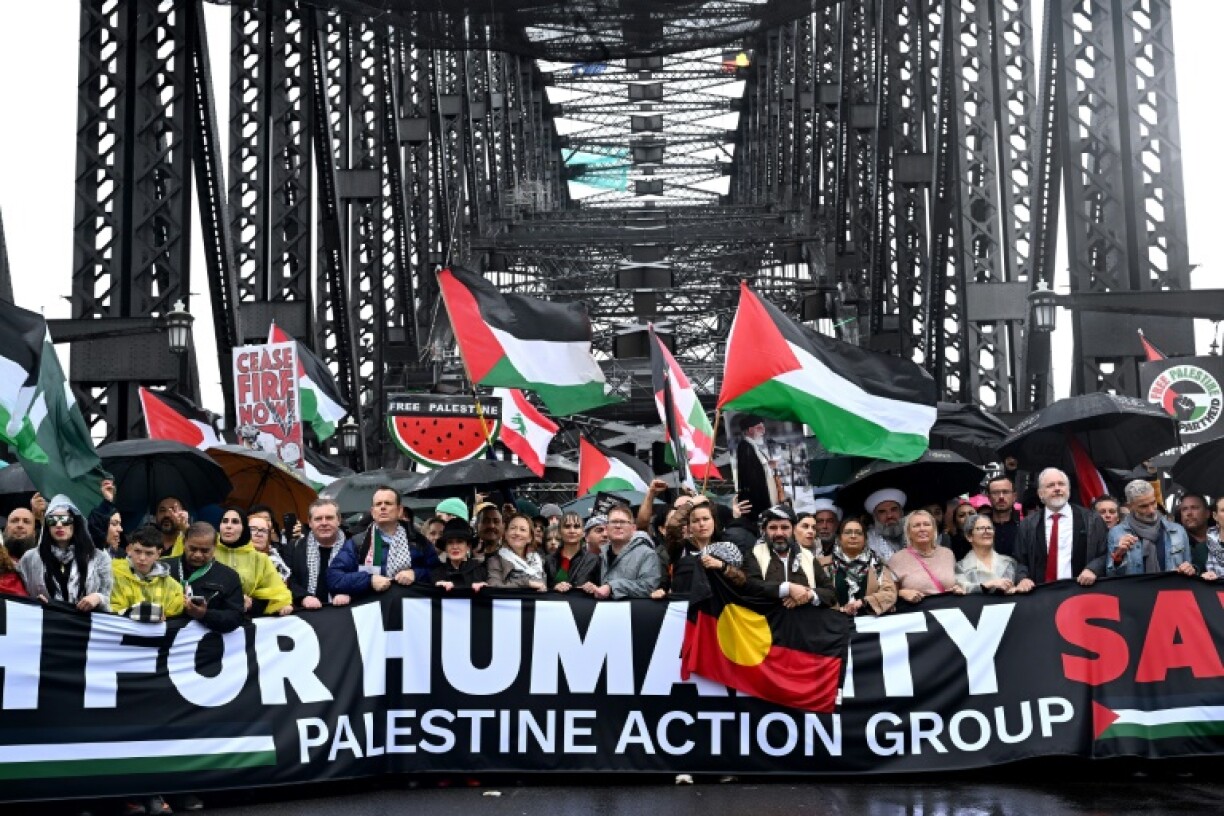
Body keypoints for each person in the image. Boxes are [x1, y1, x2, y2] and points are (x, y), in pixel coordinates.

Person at [1013, 467, 1108, 592]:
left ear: (1068, 489)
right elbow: (1019, 560)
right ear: (1040, 493)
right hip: (1041, 594)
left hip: (1080, 592)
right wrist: (1022, 578)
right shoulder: (1028, 524)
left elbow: (1105, 552)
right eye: (1051, 485)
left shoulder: (1091, 520)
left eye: (1061, 484)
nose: (1057, 488)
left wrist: (1093, 569)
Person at [328, 487, 430, 599]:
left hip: (409, 608)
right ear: (372, 512)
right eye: (378, 504)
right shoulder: (357, 543)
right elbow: (334, 578)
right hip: (372, 609)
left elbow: (437, 572)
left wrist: (416, 574)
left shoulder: (417, 541)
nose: (382, 507)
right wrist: (369, 580)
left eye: (388, 503)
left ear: (399, 510)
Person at [17, 494, 113, 611]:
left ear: (75, 523)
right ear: (47, 525)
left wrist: (98, 598)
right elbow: (19, 597)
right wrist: (33, 602)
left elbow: (107, 598)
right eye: (52, 520)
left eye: (65, 520)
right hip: (47, 624)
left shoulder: (99, 558)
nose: (59, 525)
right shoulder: (30, 558)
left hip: (84, 625)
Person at [744, 504, 836, 608]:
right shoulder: (754, 554)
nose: (779, 533)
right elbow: (750, 586)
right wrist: (787, 588)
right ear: (764, 531)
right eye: (773, 528)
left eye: (785, 527)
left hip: (805, 620)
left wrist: (808, 595)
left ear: (793, 530)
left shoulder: (807, 556)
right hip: (769, 621)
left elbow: (830, 593)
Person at [214, 505, 293, 616]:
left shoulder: (260, 558)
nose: (229, 526)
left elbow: (278, 593)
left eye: (235, 522)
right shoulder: (209, 550)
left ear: (244, 528)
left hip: (246, 621)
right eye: (225, 521)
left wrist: (252, 603)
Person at [165, 522, 245, 633]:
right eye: (193, 549)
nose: (198, 555)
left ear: (215, 547)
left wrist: (204, 614)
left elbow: (236, 617)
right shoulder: (163, 569)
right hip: (164, 642)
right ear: (184, 543)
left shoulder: (229, 577)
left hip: (206, 646)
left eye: (205, 551)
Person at [1106, 480, 1196, 577]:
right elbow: (1111, 576)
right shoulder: (1117, 533)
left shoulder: (1177, 531)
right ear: (1130, 506)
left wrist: (1189, 569)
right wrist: (1118, 557)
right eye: (1143, 506)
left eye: (1153, 503)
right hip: (1136, 591)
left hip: (1170, 590)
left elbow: (1190, 569)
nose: (1151, 510)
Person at [582, 504, 663, 599]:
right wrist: (591, 587)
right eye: (614, 522)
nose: (618, 526)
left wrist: (612, 587)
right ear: (607, 528)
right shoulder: (600, 555)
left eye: (623, 522)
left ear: (633, 528)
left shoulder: (647, 554)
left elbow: (649, 587)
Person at [819, 517, 895, 616]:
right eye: (848, 532)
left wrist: (863, 602)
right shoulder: (823, 565)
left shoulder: (877, 565)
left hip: (868, 624)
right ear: (839, 538)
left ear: (865, 539)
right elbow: (816, 594)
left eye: (858, 533)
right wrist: (839, 610)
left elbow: (890, 593)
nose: (853, 536)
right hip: (832, 623)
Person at [111, 525, 185, 621]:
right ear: (129, 549)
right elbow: (111, 610)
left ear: (158, 554)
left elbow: (174, 615)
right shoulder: (112, 575)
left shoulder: (173, 587)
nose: (142, 558)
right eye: (137, 551)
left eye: (149, 553)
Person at [287, 498, 351, 609]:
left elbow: (362, 577)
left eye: (329, 518)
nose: (324, 523)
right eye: (318, 519)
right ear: (310, 522)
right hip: (307, 616)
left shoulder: (354, 547)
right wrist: (303, 597)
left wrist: (349, 593)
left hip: (344, 613)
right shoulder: (294, 548)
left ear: (339, 520)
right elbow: (288, 580)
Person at [888, 510, 963, 604]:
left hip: (948, 612)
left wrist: (958, 587)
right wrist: (902, 593)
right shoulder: (897, 559)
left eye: (926, 524)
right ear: (908, 532)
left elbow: (956, 581)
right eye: (916, 525)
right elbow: (888, 593)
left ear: (934, 529)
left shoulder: (947, 554)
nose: (922, 529)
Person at [734, 414, 783, 523]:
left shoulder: (752, 446)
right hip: (756, 498)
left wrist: (769, 465)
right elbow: (750, 476)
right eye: (760, 428)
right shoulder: (745, 446)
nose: (763, 431)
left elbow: (756, 468)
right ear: (750, 430)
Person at [955, 514, 1018, 594]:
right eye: (981, 528)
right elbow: (963, 588)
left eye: (989, 528)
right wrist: (988, 585)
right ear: (969, 536)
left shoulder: (1009, 562)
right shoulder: (961, 567)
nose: (987, 532)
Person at [486, 514, 547, 591]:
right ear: (505, 534)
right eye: (513, 528)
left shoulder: (539, 561)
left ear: (530, 538)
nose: (517, 533)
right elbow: (493, 588)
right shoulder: (495, 561)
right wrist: (526, 583)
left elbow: (545, 588)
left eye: (522, 530)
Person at [429, 520, 488, 591]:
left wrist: (486, 590)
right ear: (445, 547)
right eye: (450, 542)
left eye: (460, 541)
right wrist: (436, 589)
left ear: (468, 546)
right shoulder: (436, 574)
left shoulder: (481, 572)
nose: (455, 547)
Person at [548, 512, 597, 593]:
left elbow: (603, 590)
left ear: (583, 532)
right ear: (560, 531)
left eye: (576, 526)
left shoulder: (594, 560)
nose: (572, 530)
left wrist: (594, 588)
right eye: (567, 526)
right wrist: (554, 588)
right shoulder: (548, 560)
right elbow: (541, 588)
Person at [865, 488, 907, 563]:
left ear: (901, 513)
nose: (889, 516)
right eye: (882, 512)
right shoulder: (867, 541)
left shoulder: (915, 531)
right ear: (875, 517)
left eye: (894, 509)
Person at [247, 513, 292, 583]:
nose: (258, 534)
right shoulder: (234, 558)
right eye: (253, 529)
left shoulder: (276, 561)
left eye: (263, 530)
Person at [1175, 493, 1212, 572]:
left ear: (1207, 513)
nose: (1189, 513)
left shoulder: (1219, 537)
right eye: (1184, 509)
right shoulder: (1176, 542)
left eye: (1194, 508)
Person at [986, 475, 1021, 557]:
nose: (1001, 497)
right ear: (989, 498)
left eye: (1005, 492)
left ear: (1014, 496)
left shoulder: (1024, 526)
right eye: (995, 493)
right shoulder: (980, 526)